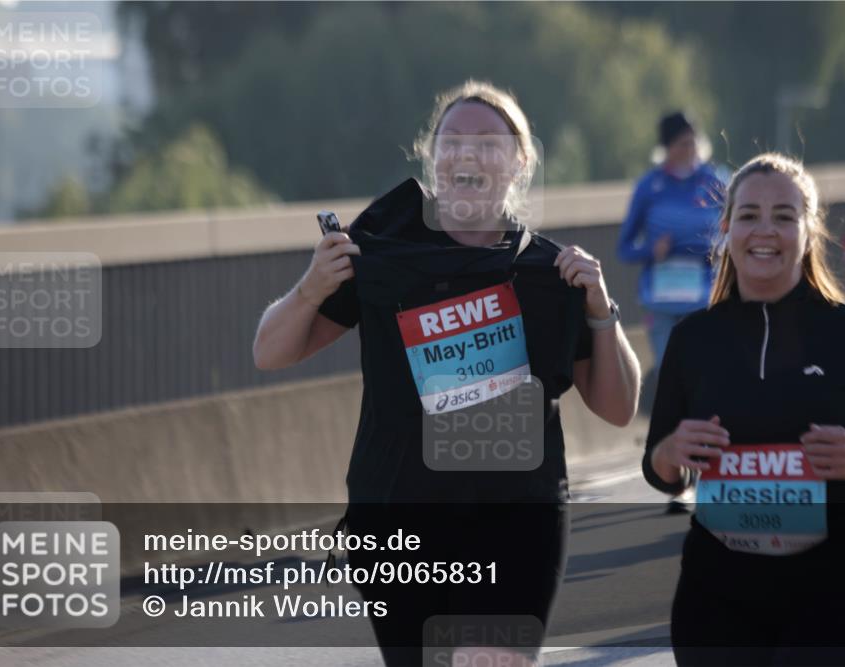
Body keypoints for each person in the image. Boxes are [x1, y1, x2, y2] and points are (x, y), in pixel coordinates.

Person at [253, 80, 641, 666]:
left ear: (519, 162)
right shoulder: (382, 254)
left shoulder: (548, 272)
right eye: (452, 140)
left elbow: (617, 409)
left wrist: (600, 309)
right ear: (432, 157)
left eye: (488, 142)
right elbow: (270, 352)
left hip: (516, 522)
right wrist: (311, 288)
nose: (466, 153)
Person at [642, 153, 845, 666]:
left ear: (809, 230)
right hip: (719, 597)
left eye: (784, 216)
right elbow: (659, 467)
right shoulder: (693, 339)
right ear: (727, 228)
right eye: (750, 215)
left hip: (839, 593)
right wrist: (670, 453)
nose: (765, 230)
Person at [618, 110, 723, 513]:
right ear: (666, 147)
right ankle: (679, 482)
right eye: (680, 143)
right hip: (662, 305)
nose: (688, 149)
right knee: (672, 381)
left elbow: (736, 233)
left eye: (693, 141)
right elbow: (624, 248)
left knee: (703, 383)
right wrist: (651, 251)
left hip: (704, 301)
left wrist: (714, 254)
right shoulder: (650, 187)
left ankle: (703, 475)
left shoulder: (715, 181)